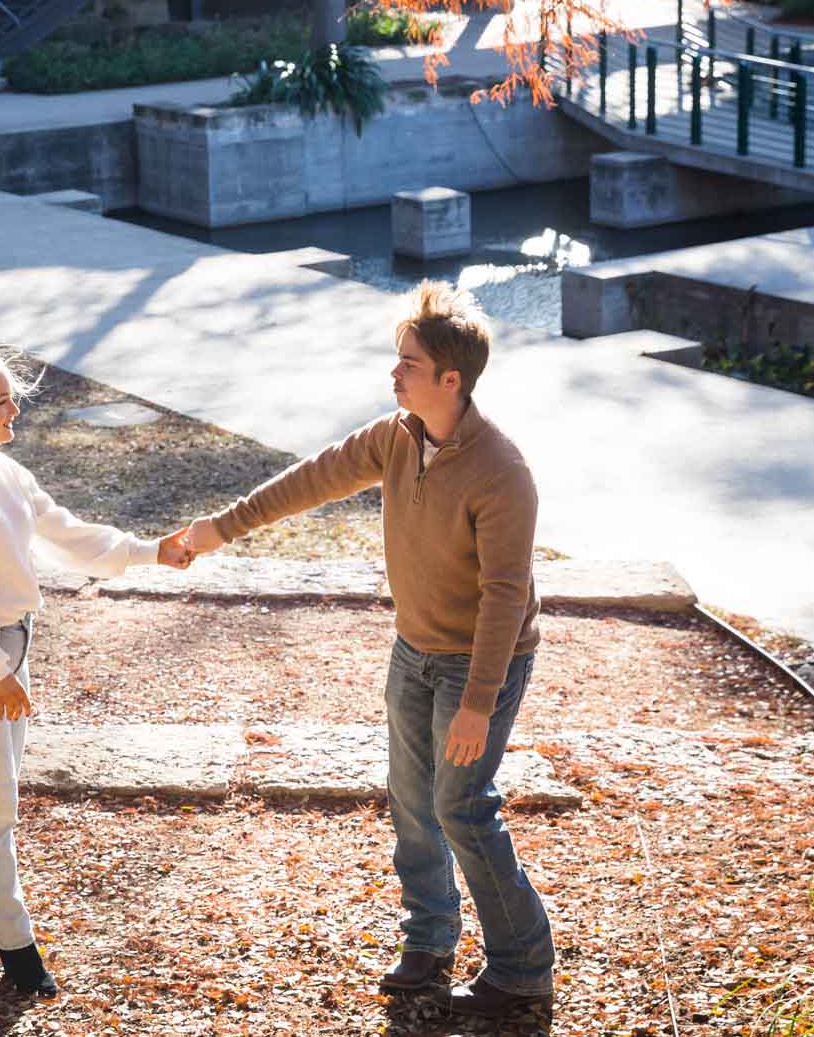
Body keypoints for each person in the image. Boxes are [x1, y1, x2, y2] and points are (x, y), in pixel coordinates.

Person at [183, 280, 555, 1018]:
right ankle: (430, 939)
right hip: (413, 647)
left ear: (451, 380)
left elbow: (505, 598)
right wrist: (218, 529)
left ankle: (524, 963)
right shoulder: (396, 436)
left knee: (461, 804)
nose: (394, 374)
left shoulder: (502, 472)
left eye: (408, 364)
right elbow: (311, 480)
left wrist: (479, 702)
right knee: (412, 801)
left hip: (483, 658)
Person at [0, 344, 193, 998]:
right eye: (2, 401)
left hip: (3, 652)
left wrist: (150, 552)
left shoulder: (1, 470)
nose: (14, 409)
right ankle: (19, 952)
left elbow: (69, 533)